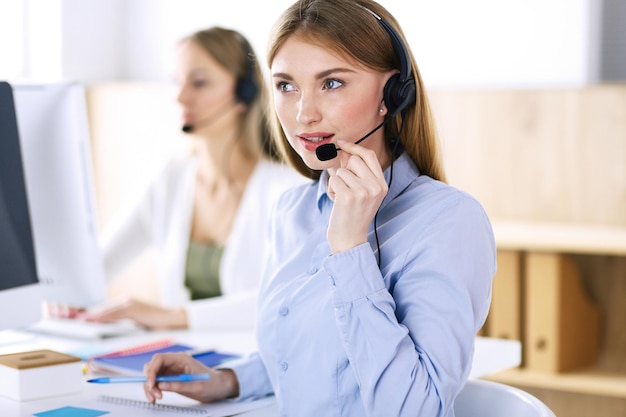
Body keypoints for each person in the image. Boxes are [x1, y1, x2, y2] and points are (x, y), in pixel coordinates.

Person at [142, 1, 496, 415]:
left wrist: (350, 249)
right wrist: (226, 379)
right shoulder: (292, 211)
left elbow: (414, 408)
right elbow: (312, 361)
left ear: (393, 94)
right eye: (286, 86)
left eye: (331, 83)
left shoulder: (448, 222)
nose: (303, 114)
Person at [81, 27, 306, 330]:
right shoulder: (170, 179)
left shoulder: (286, 188)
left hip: (251, 365)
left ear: (244, 92)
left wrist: (170, 317)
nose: (181, 97)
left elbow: (284, 300)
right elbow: (96, 266)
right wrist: (63, 291)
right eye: (177, 82)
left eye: (199, 82)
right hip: (180, 358)